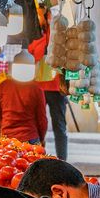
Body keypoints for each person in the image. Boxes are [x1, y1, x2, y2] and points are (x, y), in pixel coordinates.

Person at [28, 10, 69, 160]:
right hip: (44, 88)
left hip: (52, 88)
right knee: (48, 125)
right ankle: (43, 158)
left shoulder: (52, 39)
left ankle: (58, 161)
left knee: (55, 126)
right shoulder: (39, 40)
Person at [0, 75, 48, 145]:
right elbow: (42, 119)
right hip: (30, 138)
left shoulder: (3, 86)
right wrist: (42, 139)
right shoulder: (36, 88)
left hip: (7, 139)